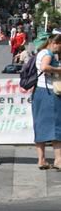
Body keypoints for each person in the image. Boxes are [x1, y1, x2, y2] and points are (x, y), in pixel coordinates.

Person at [31, 34, 61, 170]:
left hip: (39, 92)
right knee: (57, 126)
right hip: (49, 93)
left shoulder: (41, 52)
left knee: (40, 125)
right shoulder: (48, 53)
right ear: (55, 43)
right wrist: (58, 70)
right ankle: (58, 160)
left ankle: (41, 160)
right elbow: (44, 67)